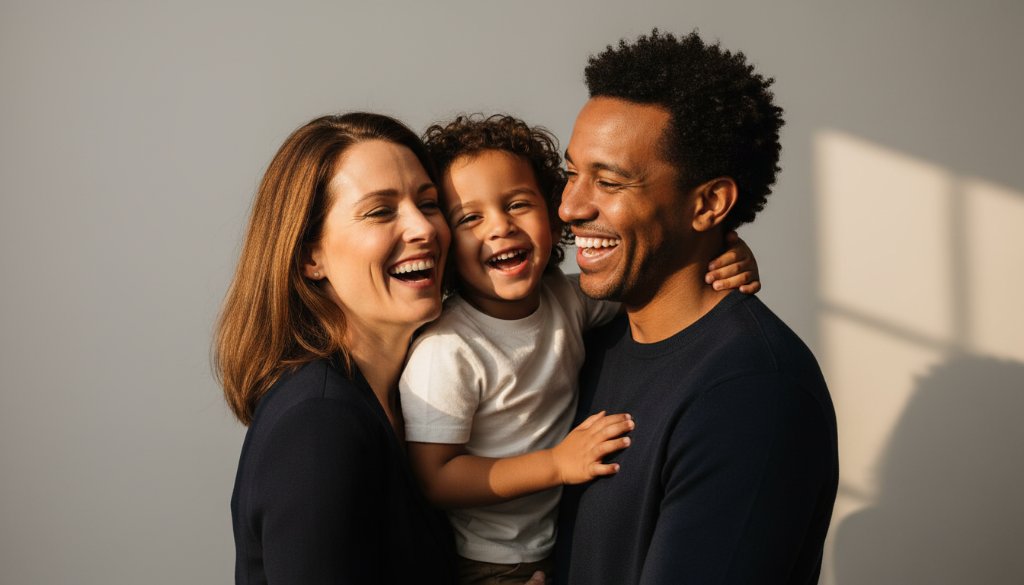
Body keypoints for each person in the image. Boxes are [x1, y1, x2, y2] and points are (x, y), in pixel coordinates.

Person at [398, 114, 762, 585]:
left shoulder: (566, 298)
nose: (500, 227)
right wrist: (555, 464)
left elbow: (654, 287)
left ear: (554, 218)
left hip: (559, 544)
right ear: (445, 243)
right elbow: (436, 478)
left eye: (518, 204)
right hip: (494, 563)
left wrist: (723, 256)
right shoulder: (447, 349)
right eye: (470, 218)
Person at [554, 30, 840, 585]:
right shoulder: (587, 338)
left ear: (709, 203)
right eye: (571, 173)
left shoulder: (753, 393)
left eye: (608, 182)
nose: (569, 206)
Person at [215, 113, 457, 584]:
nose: (423, 228)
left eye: (428, 204)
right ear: (311, 256)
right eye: (380, 211)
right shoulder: (319, 424)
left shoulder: (403, 404)